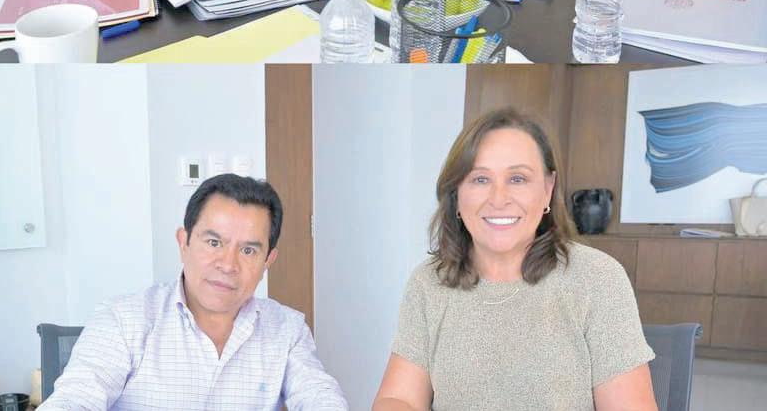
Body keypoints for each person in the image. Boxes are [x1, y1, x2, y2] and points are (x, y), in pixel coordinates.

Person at [373, 108, 657, 411]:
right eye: (480, 179)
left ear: (547, 190)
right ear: (456, 195)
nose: (499, 198)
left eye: (518, 178)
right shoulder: (429, 282)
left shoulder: (597, 278)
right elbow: (398, 398)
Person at [40, 174, 349, 410]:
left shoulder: (288, 329)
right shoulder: (123, 319)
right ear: (183, 242)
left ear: (268, 260)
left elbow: (320, 396)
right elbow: (74, 399)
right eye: (213, 243)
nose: (228, 264)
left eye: (248, 250)